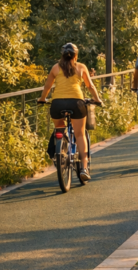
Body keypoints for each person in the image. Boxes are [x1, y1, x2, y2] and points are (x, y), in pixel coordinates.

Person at [37, 43, 103, 182]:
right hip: (76, 103)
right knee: (79, 134)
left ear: (62, 55)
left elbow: (47, 86)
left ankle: (60, 153)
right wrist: (97, 100)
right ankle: (84, 168)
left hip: (57, 104)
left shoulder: (55, 68)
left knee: (59, 130)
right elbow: (90, 86)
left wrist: (42, 99)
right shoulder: (81, 67)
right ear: (76, 55)